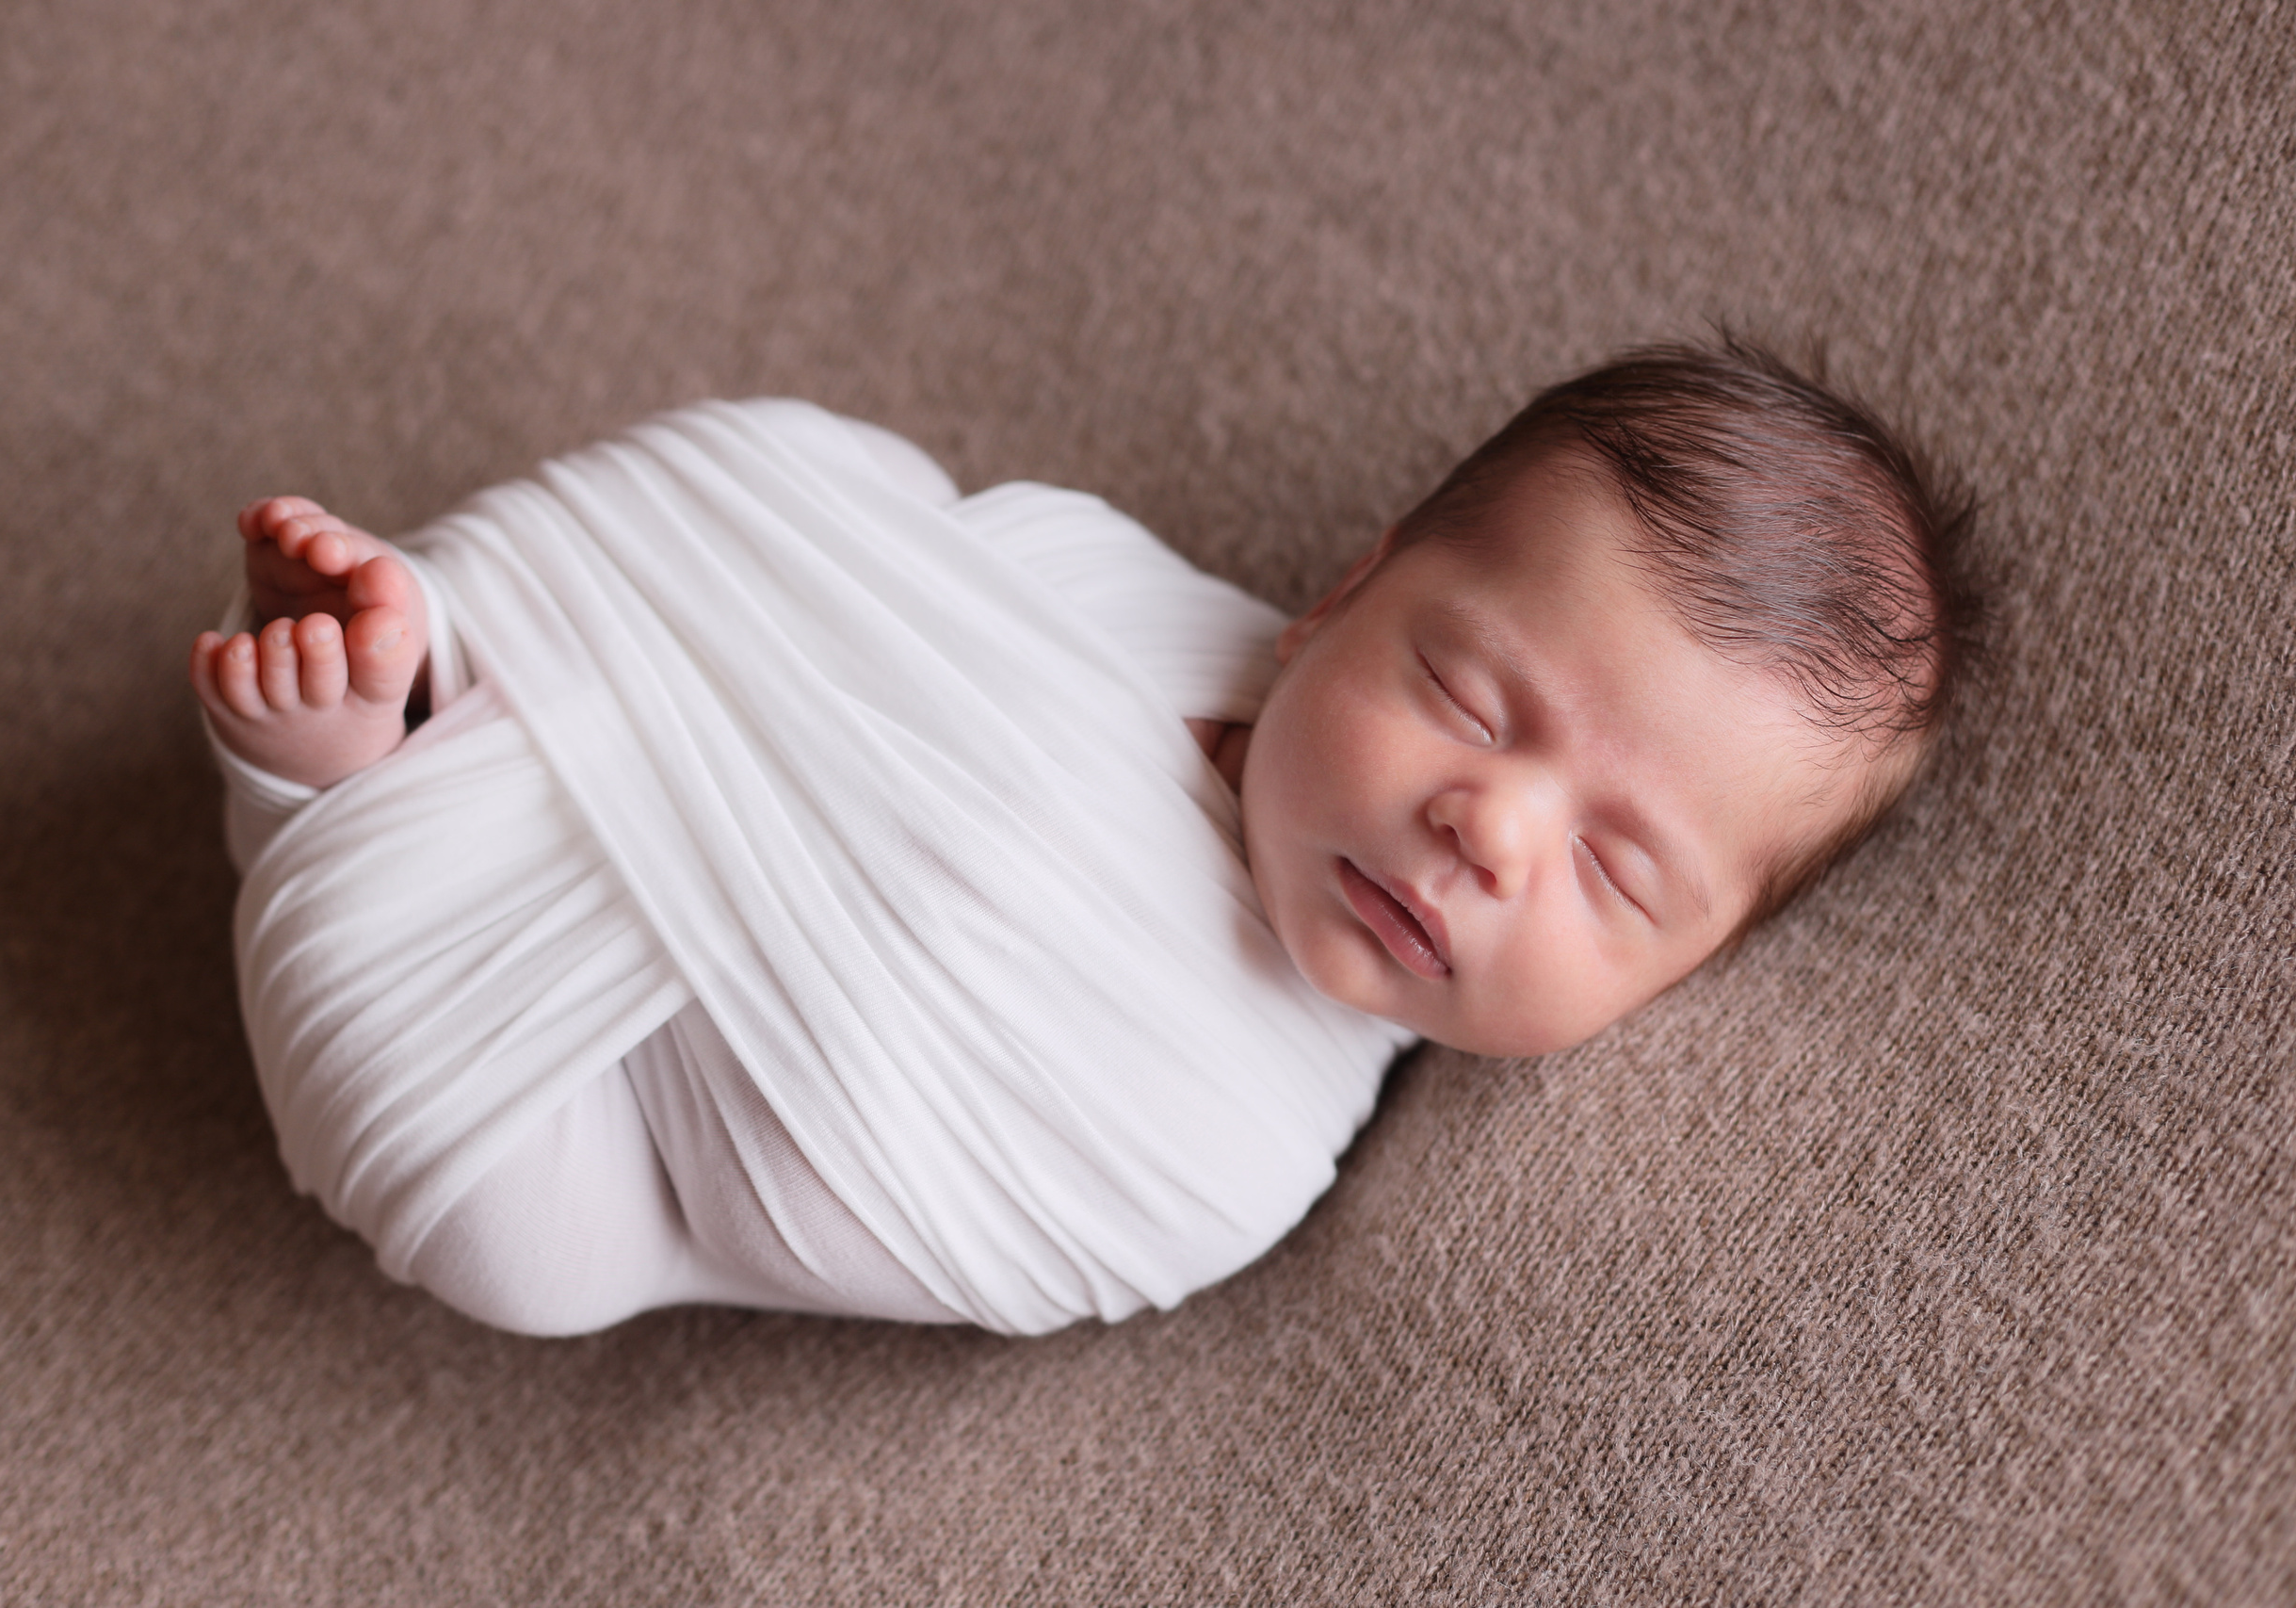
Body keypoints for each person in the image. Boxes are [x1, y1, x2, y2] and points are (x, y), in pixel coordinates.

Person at [191, 337, 1974, 1336]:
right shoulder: (1103, 587)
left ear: (1679, 975)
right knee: (816, 460)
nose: (1489, 828)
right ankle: (423, 675)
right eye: (1470, 694)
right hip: (651, 799)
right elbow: (834, 584)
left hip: (649, 1130)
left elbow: (968, 1227)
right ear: (1344, 592)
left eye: (1615, 872)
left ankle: (339, 790)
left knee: (538, 1261)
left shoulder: (1239, 1157)